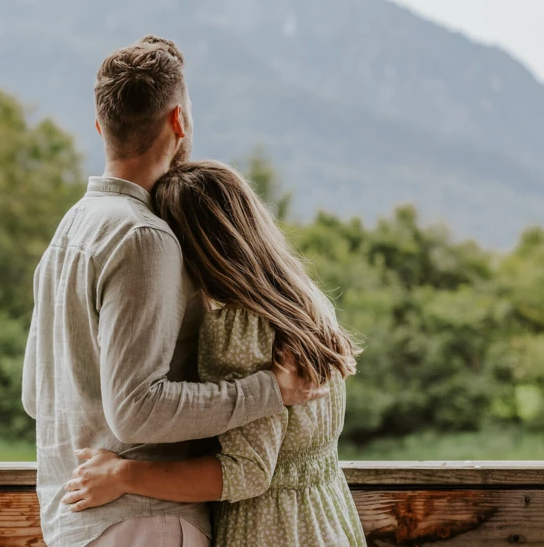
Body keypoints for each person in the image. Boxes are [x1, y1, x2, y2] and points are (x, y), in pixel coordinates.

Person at [21, 36, 327, 547]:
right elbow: (136, 409)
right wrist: (268, 392)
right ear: (179, 121)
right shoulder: (144, 238)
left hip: (73, 522)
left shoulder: (70, 230)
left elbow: (36, 394)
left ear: (101, 128)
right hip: (144, 524)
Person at [60, 160, 369, 547]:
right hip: (326, 522)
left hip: (270, 534)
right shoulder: (307, 302)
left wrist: (124, 475)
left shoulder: (240, 327)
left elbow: (247, 473)